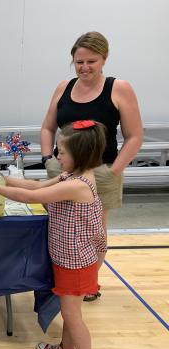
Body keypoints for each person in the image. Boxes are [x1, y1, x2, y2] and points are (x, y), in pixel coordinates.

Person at [0, 120, 107, 349]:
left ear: (80, 154)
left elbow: (31, 196)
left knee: (73, 317)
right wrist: (1, 179)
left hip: (76, 263)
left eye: (63, 152)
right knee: (70, 313)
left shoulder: (78, 185)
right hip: (69, 259)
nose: (57, 156)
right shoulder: (71, 175)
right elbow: (35, 185)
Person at [40, 31, 143, 301]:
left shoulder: (119, 88)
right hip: (62, 169)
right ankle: (62, 280)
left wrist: (114, 170)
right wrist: (46, 158)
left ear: (104, 59)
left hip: (101, 171)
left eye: (91, 62)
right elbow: (47, 126)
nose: (84, 67)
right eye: (79, 62)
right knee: (60, 227)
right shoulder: (64, 87)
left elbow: (135, 136)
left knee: (93, 233)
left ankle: (88, 285)